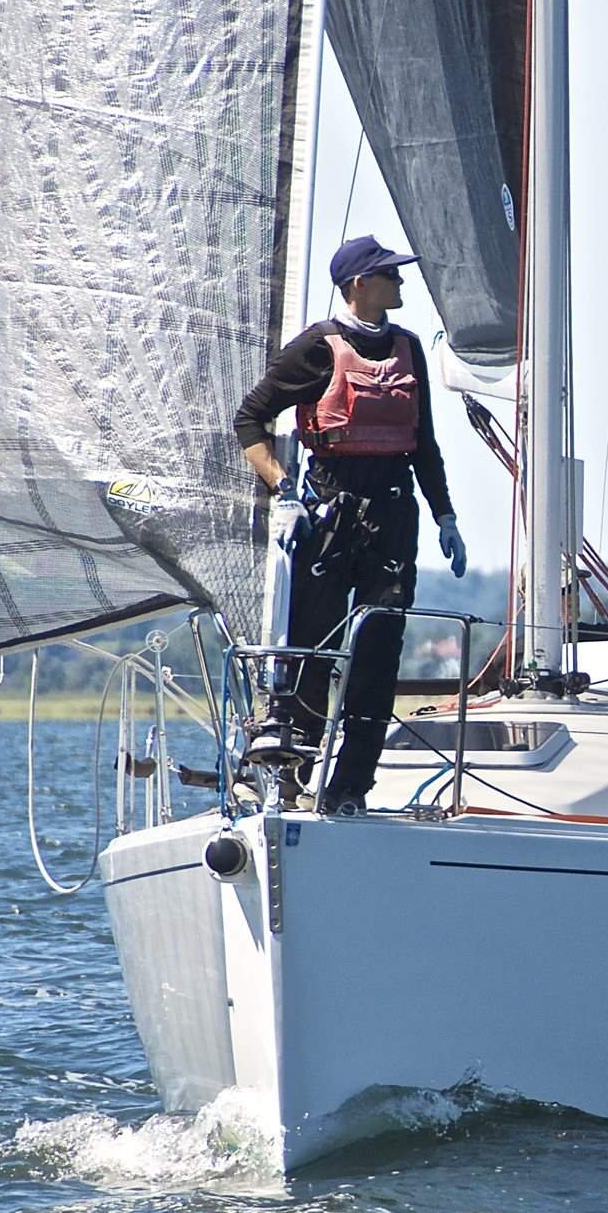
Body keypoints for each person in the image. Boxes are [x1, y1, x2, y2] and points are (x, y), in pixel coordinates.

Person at [233, 235, 467, 815]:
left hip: (394, 517)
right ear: (359, 284)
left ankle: (349, 789)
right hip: (331, 517)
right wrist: (282, 491)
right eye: (391, 275)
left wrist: (445, 515)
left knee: (378, 654)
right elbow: (250, 419)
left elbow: (424, 445)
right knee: (314, 651)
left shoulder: (409, 348)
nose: (402, 283)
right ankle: (288, 775)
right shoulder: (317, 347)